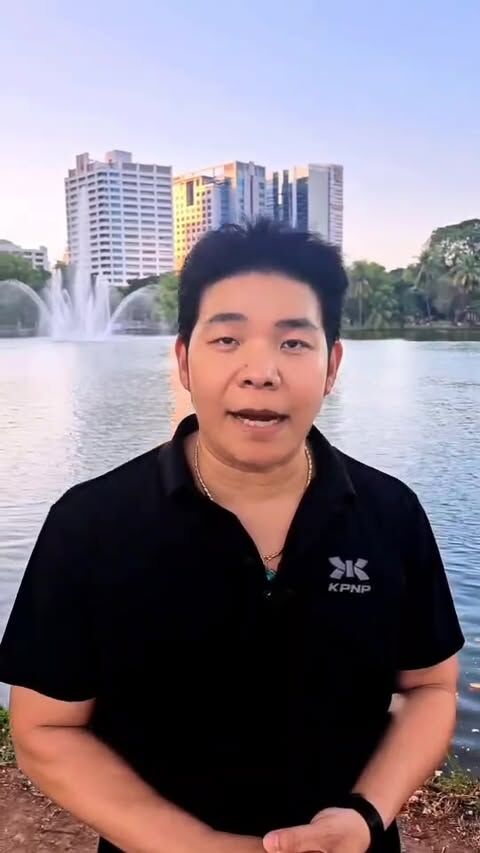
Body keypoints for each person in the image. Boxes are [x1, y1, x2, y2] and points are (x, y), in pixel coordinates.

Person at [0, 219, 464, 853]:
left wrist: (364, 816)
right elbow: (46, 729)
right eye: (227, 339)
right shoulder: (90, 523)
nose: (261, 371)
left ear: (332, 365)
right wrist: (199, 845)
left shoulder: (391, 513)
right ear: (184, 361)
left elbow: (430, 687)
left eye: (294, 343)